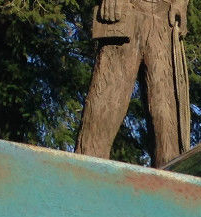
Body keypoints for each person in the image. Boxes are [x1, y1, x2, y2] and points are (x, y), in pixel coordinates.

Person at [75, 0, 191, 165]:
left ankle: (171, 180)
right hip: (124, 11)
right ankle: (84, 175)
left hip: (165, 19)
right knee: (104, 107)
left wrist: (181, 4)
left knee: (166, 122)